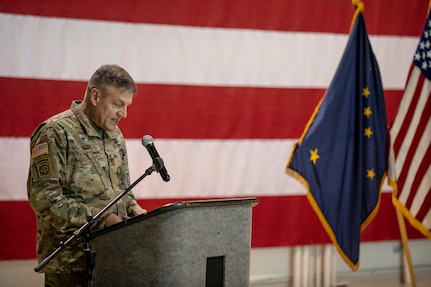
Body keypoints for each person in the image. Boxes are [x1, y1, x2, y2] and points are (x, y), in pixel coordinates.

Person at [27, 64, 147, 286]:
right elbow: (45, 199)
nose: (124, 113)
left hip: (112, 258)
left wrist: (142, 217)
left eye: (127, 106)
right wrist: (102, 220)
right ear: (95, 96)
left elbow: (123, 193)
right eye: (117, 104)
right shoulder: (55, 132)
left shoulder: (114, 135)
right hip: (71, 263)